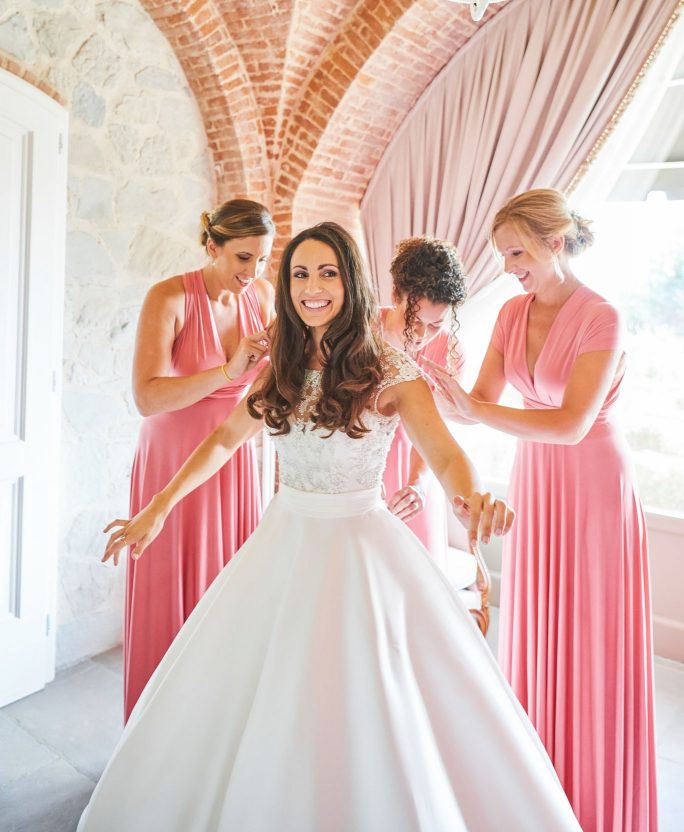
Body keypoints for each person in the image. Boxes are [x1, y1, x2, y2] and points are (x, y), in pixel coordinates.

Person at [78, 222, 580, 832]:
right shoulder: (281, 365)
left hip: (360, 548)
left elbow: (447, 455)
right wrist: (157, 507)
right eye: (299, 274)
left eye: (327, 273)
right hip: (281, 544)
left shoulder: (391, 370)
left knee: (363, 700)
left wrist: (470, 499)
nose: (311, 288)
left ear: (351, 282)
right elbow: (225, 439)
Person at [424, 189, 657, 832]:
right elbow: (473, 405)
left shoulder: (602, 317)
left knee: (589, 636)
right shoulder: (510, 314)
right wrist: (420, 383)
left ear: (555, 243)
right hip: (538, 480)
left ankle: (595, 794)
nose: (508, 268)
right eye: (503, 256)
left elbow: (573, 424)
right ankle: (538, 785)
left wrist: (474, 408)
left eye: (517, 253)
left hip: (594, 484)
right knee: (538, 621)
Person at [123, 198, 275, 719]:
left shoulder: (262, 296)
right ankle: (157, 730)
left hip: (233, 459)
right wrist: (229, 372)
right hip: (171, 455)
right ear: (212, 246)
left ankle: (215, 728)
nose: (252, 272)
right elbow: (147, 397)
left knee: (227, 592)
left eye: (262, 260)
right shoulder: (168, 297)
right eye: (242, 258)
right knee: (168, 591)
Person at [380, 237, 467, 568]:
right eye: (414, 319)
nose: (421, 334)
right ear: (395, 295)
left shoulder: (450, 352)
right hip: (362, 464)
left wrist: (417, 484)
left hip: (417, 474)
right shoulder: (362, 333)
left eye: (435, 325)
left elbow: (434, 432)